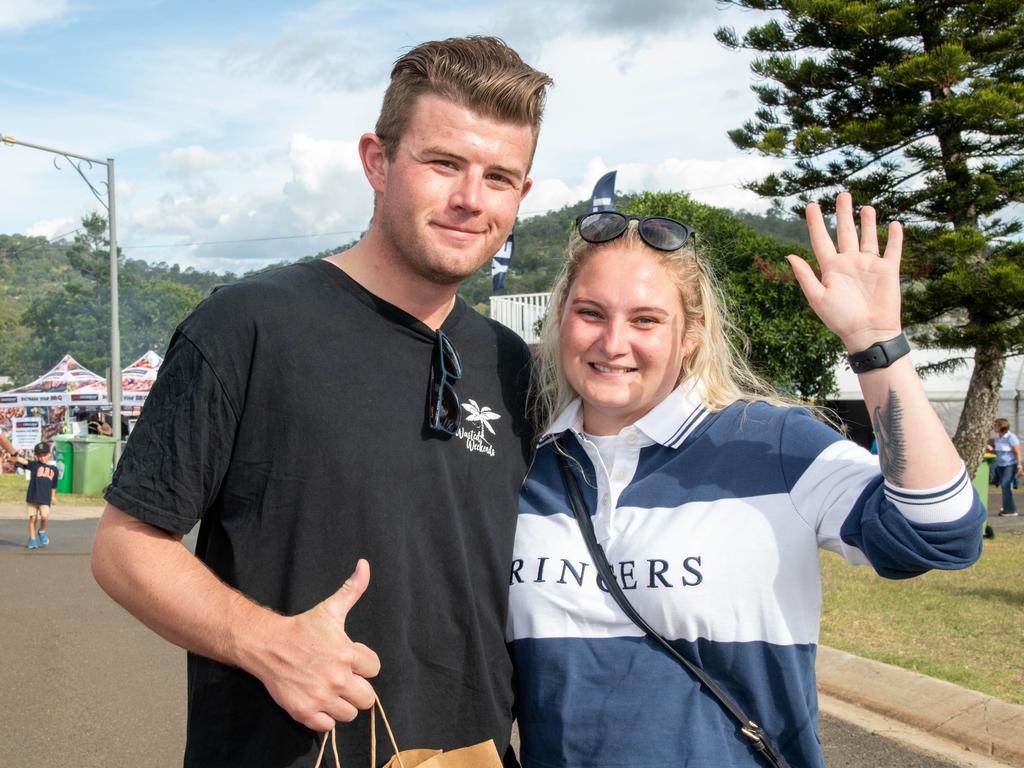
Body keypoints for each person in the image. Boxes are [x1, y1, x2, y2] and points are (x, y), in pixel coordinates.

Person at [90, 36, 551, 767]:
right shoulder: (250, 324)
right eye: (443, 163)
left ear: (521, 197)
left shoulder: (512, 364)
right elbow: (125, 547)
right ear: (377, 160)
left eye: (500, 177)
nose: (471, 198)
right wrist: (270, 645)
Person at [507, 193, 985, 768]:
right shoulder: (521, 462)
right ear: (561, 319)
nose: (613, 343)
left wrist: (875, 342)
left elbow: (941, 532)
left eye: (646, 320)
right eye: (590, 313)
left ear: (690, 336)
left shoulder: (772, 443)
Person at [12, 441, 58, 549]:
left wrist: (53, 496)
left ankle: (41, 530)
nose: (42, 458)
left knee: (44, 517)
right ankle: (32, 540)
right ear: (36, 456)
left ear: (49, 454)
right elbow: (24, 461)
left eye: (44, 455)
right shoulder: (35, 465)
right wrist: (15, 456)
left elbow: (54, 485)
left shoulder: (54, 470)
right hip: (32, 497)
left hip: (45, 498)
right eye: (39, 455)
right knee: (32, 518)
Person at [987, 418, 1021, 516]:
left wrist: (1019, 466)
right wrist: (991, 449)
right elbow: (998, 451)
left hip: (1010, 465)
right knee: (1005, 487)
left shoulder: (1011, 437)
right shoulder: (998, 437)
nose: (994, 426)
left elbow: (1017, 452)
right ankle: (1009, 508)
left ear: (1001, 426)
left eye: (996, 425)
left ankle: (1010, 510)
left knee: (1005, 486)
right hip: (1000, 465)